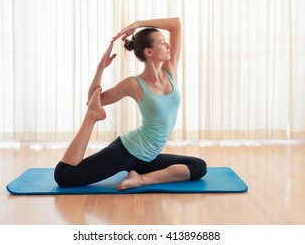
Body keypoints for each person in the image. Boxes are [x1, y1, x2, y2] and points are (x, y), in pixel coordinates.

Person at [54, 18, 207, 190]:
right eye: (163, 43)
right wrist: (100, 69)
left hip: (148, 157)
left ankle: (141, 179)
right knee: (65, 176)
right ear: (149, 52)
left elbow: (176, 24)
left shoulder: (170, 70)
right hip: (127, 152)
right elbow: (92, 101)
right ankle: (92, 118)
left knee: (199, 166)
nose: (168, 46)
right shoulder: (134, 84)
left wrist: (138, 24)